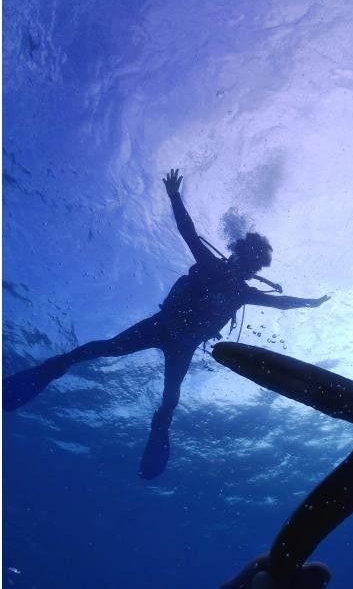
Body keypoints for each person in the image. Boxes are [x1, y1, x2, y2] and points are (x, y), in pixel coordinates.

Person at [3, 169, 330, 479]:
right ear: (237, 254)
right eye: (247, 259)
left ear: (254, 268)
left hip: (182, 343)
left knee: (169, 393)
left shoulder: (244, 291)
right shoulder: (215, 268)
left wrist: (310, 303)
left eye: (254, 264)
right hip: (164, 326)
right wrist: (174, 195)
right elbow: (188, 231)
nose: (247, 267)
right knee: (110, 349)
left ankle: (159, 427)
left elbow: (280, 302)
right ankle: (55, 366)